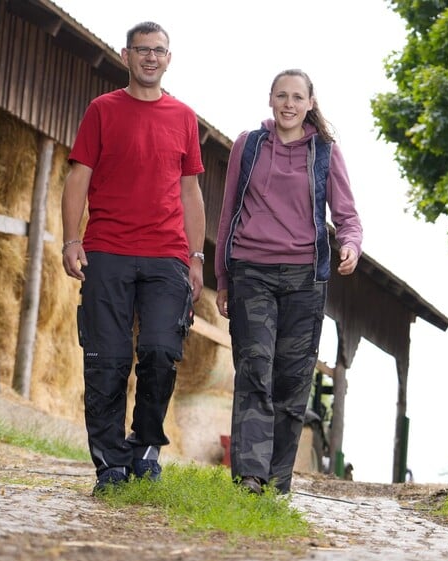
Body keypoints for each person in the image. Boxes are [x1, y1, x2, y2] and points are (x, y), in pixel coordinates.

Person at [61, 21, 206, 494]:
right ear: (126, 55)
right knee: (107, 359)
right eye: (141, 50)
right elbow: (78, 177)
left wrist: (196, 257)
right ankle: (110, 465)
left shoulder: (184, 116)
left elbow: (190, 192)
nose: (150, 58)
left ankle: (146, 447)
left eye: (158, 51)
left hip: (167, 256)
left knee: (162, 350)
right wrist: (70, 239)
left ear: (169, 58)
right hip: (107, 251)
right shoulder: (102, 110)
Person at [215, 69, 362, 495]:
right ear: (270, 99)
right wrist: (223, 277)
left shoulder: (325, 152)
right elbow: (228, 213)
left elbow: (348, 216)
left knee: (292, 380)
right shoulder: (249, 144)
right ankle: (250, 477)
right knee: (255, 370)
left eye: (298, 97)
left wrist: (350, 246)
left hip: (305, 280)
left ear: (310, 103)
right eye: (282, 95)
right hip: (252, 272)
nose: (289, 104)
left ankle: (277, 482)